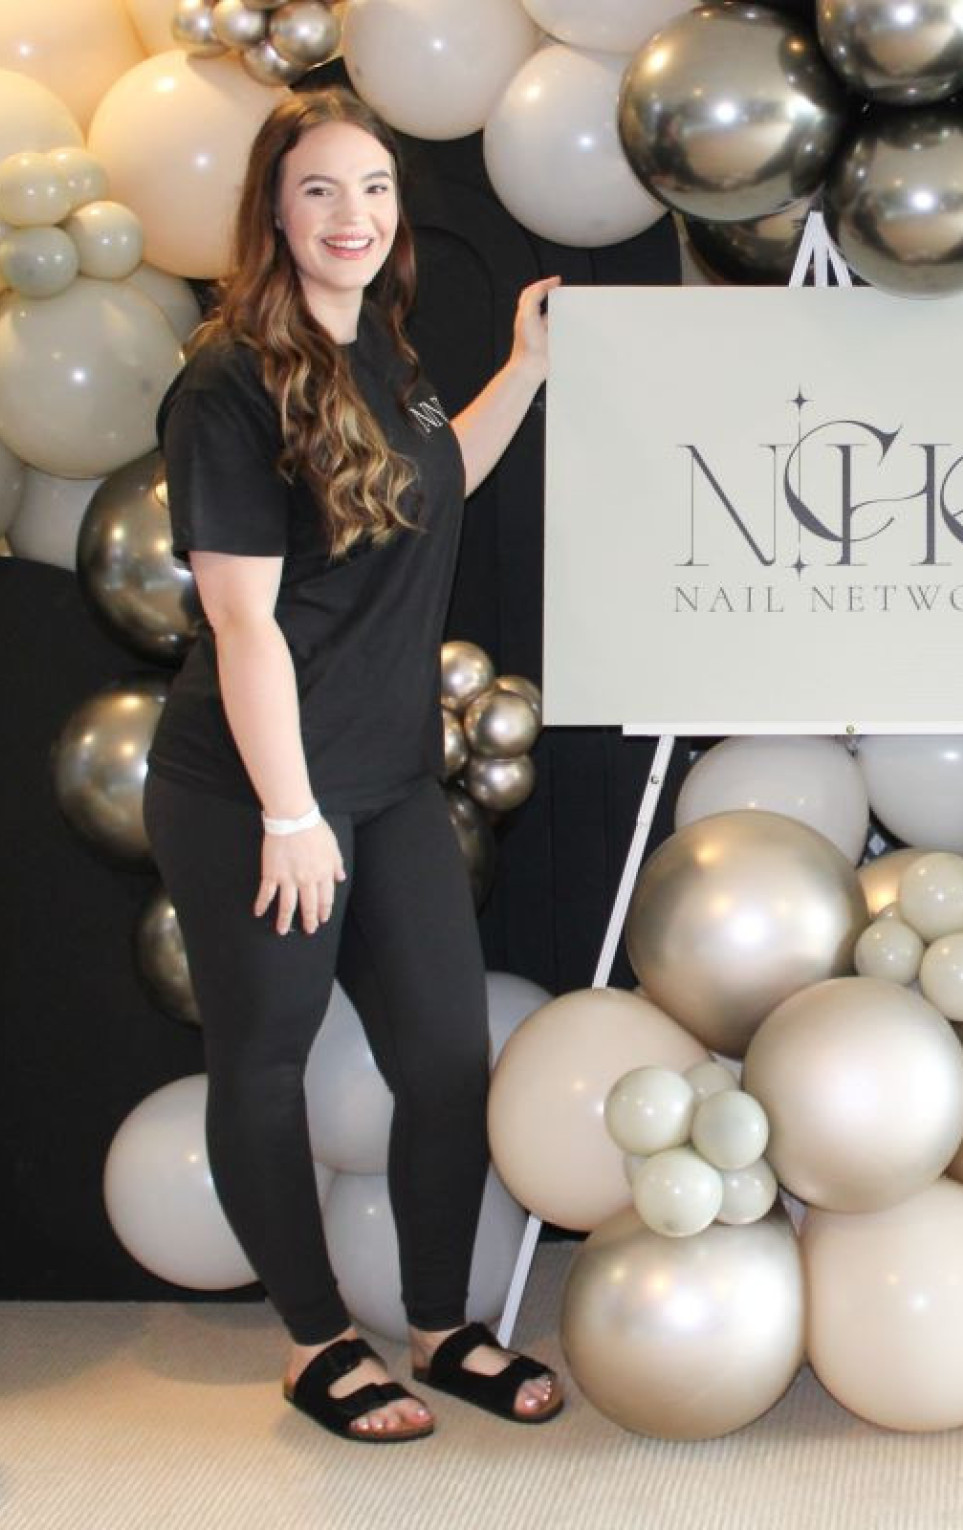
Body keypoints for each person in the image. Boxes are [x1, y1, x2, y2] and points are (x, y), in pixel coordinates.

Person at [142, 88, 562, 1443]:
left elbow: (439, 478)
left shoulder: (383, 347)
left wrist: (527, 367)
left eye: (374, 189)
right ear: (273, 208)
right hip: (255, 789)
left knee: (444, 1058)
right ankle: (318, 1341)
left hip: (385, 778)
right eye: (321, 190)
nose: (354, 216)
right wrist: (287, 809)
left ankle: (436, 1324)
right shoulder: (228, 378)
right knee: (261, 1062)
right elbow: (242, 618)